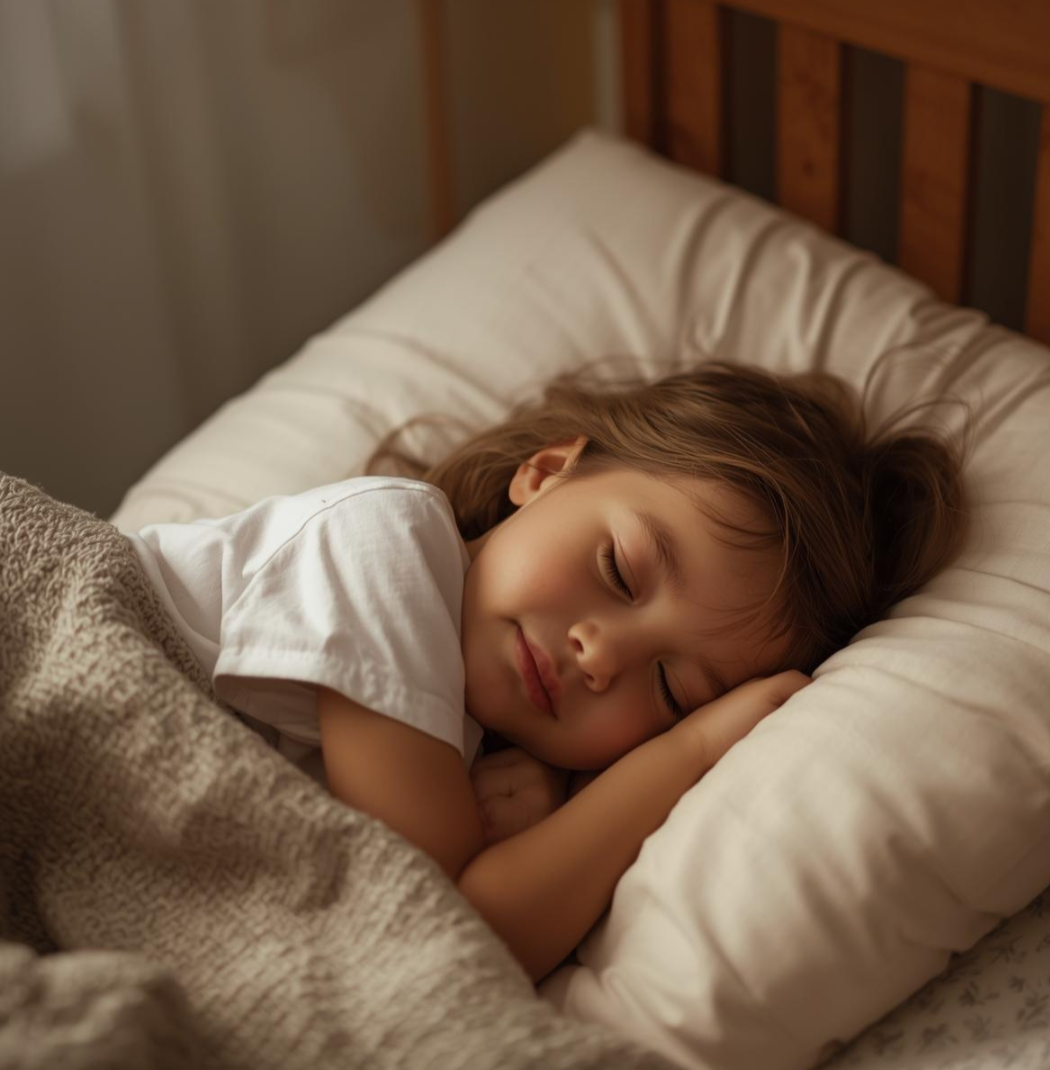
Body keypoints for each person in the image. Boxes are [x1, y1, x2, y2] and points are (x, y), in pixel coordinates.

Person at [125, 357, 970, 982]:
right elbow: (439, 930)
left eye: (673, 692)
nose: (600, 655)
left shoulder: (490, 769)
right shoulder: (385, 545)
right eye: (621, 570)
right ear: (544, 472)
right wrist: (689, 748)